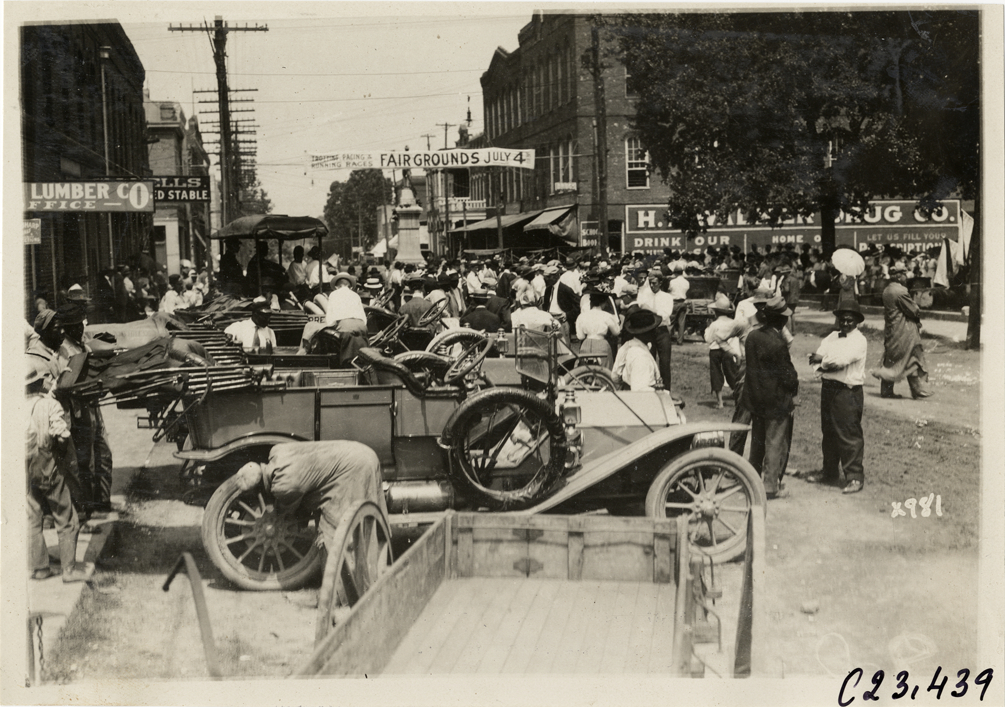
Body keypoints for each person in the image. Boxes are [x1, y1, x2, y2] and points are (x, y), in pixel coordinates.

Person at [232, 441, 388, 550]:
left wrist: (273, 510)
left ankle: (349, 589)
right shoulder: (276, 451)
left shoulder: (282, 486)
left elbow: (289, 514)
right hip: (359, 452)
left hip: (355, 467)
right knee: (369, 520)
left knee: (336, 534)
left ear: (258, 486)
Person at [26, 366, 95, 583]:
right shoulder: (49, 404)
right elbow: (62, 435)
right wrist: (62, 458)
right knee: (66, 516)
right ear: (39, 383)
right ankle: (68, 570)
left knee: (32, 517)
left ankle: (40, 568)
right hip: (46, 462)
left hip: (23, 466)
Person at [57, 303, 115, 518]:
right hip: (78, 410)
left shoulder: (82, 345)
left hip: (92, 407)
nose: (81, 330)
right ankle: (86, 506)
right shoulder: (64, 351)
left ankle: (102, 500)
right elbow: (65, 384)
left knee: (104, 454)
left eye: (82, 326)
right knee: (85, 460)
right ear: (68, 328)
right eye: (77, 327)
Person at [741, 295, 798, 499]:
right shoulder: (778, 344)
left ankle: (751, 480)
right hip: (775, 401)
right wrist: (794, 387)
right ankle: (770, 486)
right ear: (782, 320)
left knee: (757, 441)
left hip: (755, 398)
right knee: (774, 443)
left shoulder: (753, 337)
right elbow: (788, 376)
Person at [808, 300, 868, 494]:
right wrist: (823, 360)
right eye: (842, 319)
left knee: (848, 434)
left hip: (847, 391)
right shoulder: (832, 337)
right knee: (829, 433)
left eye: (850, 320)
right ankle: (829, 472)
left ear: (857, 321)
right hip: (829, 389)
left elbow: (841, 361)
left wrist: (823, 360)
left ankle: (855, 477)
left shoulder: (859, 340)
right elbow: (815, 357)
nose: (845, 323)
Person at [872, 262, 931, 399]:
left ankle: (889, 390)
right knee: (912, 356)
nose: (906, 276)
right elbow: (914, 310)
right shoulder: (900, 291)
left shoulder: (887, 290)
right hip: (904, 330)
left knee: (893, 358)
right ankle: (917, 389)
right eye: (903, 274)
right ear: (899, 277)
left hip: (892, 329)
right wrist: (916, 306)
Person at [704, 293, 743, 408]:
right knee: (732, 373)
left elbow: (708, 339)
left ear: (716, 311)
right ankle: (738, 399)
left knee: (716, 374)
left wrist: (707, 329)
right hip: (728, 351)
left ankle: (720, 402)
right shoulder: (732, 323)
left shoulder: (714, 324)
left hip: (715, 351)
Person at [612, 308, 661, 391]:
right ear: (647, 333)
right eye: (654, 329)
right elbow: (639, 391)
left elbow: (615, 376)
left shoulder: (627, 346)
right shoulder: (641, 357)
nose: (656, 332)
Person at [576, 290, 621, 369]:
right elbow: (616, 332)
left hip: (586, 344)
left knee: (586, 370)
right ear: (603, 304)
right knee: (603, 370)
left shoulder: (582, 316)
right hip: (602, 344)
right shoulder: (607, 316)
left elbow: (580, 337)